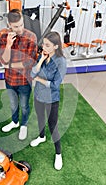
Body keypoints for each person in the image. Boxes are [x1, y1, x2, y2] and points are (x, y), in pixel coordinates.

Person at [0, 9, 37, 140]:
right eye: (16, 26)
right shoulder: (4, 37)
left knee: (24, 106)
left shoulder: (31, 37)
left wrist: (9, 66)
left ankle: (24, 125)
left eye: (21, 25)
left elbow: (29, 62)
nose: (20, 29)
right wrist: (8, 45)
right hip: (10, 80)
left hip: (25, 80)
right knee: (13, 104)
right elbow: (4, 60)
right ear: (9, 25)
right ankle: (15, 122)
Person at [29, 31, 67, 170]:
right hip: (38, 95)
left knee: (53, 126)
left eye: (47, 45)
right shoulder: (42, 56)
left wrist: (39, 79)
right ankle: (41, 137)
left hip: (51, 99)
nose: (43, 47)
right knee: (40, 118)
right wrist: (40, 61)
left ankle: (58, 154)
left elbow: (56, 84)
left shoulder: (61, 62)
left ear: (56, 46)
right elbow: (32, 73)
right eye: (43, 44)